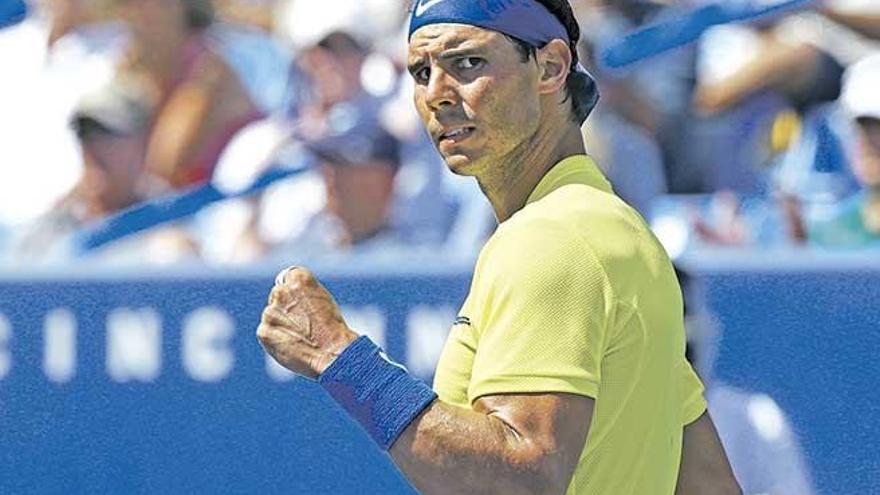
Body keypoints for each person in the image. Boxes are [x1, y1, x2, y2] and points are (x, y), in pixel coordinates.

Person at [257, 1, 741, 494]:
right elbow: (708, 483)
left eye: (468, 63)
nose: (437, 95)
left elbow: (521, 475)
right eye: (422, 72)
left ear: (550, 67)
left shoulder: (551, 238)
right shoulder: (624, 235)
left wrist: (340, 356)